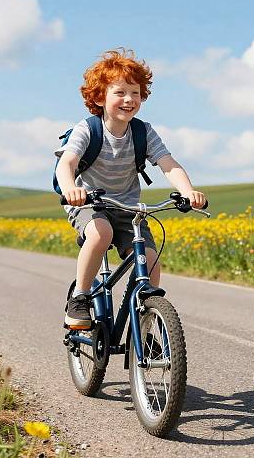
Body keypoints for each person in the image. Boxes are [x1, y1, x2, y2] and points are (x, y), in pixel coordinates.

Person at [55, 49, 206, 329]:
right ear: (100, 97)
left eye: (135, 93)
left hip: (128, 207)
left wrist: (188, 190)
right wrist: (70, 190)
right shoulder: (87, 130)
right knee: (101, 234)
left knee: (150, 259)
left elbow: (168, 164)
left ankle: (148, 325)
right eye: (120, 92)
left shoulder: (143, 132)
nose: (129, 99)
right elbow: (67, 164)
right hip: (90, 203)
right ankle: (80, 297)